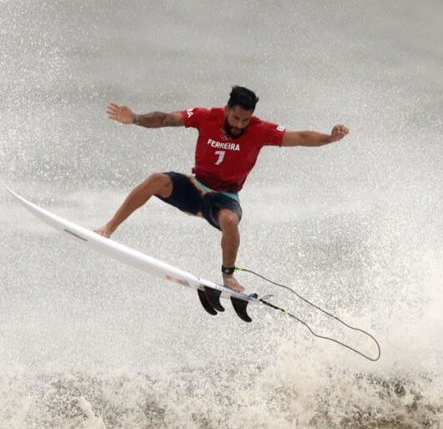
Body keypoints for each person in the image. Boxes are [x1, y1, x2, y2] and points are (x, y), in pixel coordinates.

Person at [94, 85, 349, 292]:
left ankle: (228, 275)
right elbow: (166, 119)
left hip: (224, 197)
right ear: (227, 109)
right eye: (236, 117)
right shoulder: (207, 117)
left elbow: (300, 138)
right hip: (195, 187)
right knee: (155, 180)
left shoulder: (261, 130)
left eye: (245, 120)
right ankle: (108, 228)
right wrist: (136, 118)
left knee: (230, 221)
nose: (239, 124)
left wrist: (330, 138)